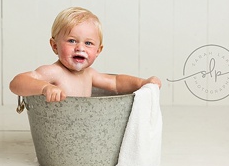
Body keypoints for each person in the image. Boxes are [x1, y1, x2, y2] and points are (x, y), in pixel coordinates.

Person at [9, 7, 161, 102]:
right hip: (58, 130)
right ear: (55, 46)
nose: (80, 48)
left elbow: (115, 83)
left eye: (88, 43)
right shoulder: (54, 72)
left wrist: (142, 83)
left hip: (84, 129)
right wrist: (44, 88)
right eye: (72, 41)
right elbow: (16, 83)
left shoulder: (90, 74)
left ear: (98, 51)